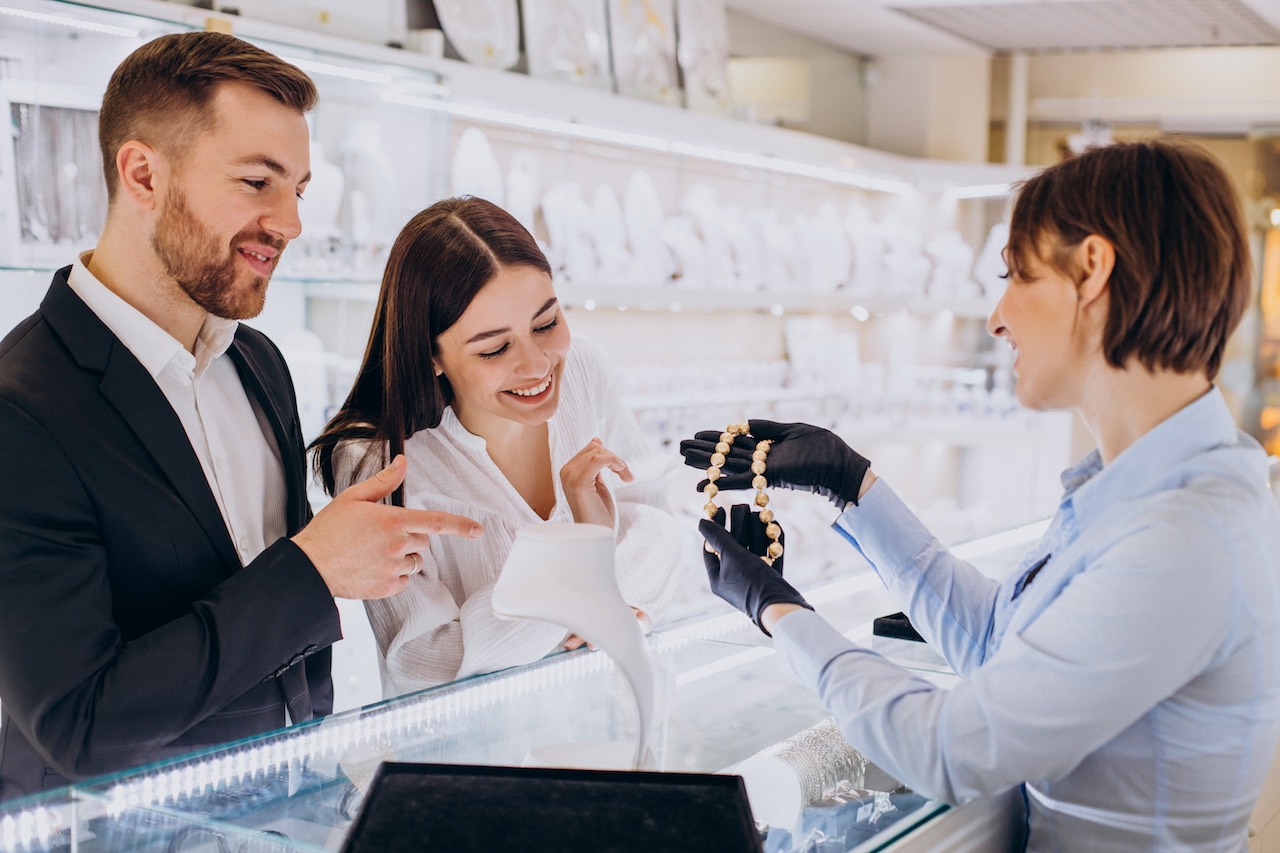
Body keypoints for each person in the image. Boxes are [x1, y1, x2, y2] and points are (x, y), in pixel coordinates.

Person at [681, 139, 1280, 850]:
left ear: (1092, 271)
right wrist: (854, 486)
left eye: (1015, 275)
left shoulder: (1184, 536)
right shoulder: (1146, 492)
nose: (998, 317)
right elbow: (1001, 645)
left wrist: (779, 612)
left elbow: (950, 750)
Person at [0, 32, 481, 802]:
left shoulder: (259, 363)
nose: (289, 222)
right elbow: (76, 723)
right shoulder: (22, 406)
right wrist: (313, 569)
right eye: (258, 182)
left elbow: (286, 655)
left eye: (298, 188)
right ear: (143, 173)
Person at [311, 196, 682, 697]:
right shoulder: (379, 462)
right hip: (476, 759)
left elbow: (655, 519)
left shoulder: (584, 372)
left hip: (600, 728)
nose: (536, 366)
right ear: (432, 356)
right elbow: (426, 658)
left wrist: (583, 603)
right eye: (494, 349)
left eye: (547, 323)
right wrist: (582, 562)